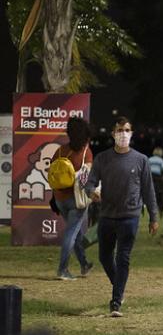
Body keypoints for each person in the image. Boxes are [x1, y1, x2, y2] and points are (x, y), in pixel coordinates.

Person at [84, 116, 159, 318]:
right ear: (113, 133)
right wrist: (92, 192)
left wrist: (154, 216)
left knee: (122, 256)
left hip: (130, 216)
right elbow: (89, 183)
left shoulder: (141, 160)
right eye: (119, 130)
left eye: (126, 130)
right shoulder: (102, 159)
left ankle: (116, 301)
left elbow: (148, 190)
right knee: (104, 256)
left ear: (131, 133)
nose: (123, 134)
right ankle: (119, 285)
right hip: (107, 215)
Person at [53, 117, 94, 280]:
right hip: (77, 200)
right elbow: (85, 178)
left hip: (60, 199)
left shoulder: (60, 151)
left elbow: (52, 173)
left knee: (75, 233)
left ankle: (84, 264)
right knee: (71, 234)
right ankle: (62, 270)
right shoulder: (86, 152)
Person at [148, 147, 163, 215]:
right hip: (158, 177)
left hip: (150, 177)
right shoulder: (161, 160)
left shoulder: (150, 159)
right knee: (158, 192)